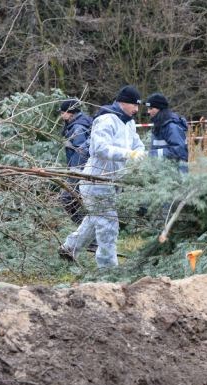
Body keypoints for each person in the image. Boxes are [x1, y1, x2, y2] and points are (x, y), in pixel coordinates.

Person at [58, 85, 145, 268]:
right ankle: (107, 269)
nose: (137, 110)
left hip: (111, 180)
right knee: (108, 224)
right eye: (134, 105)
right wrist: (129, 155)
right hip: (95, 180)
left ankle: (69, 248)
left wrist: (139, 155)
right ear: (123, 102)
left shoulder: (128, 123)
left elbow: (138, 145)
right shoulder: (106, 120)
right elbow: (100, 148)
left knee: (94, 219)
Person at [58, 98, 93, 224]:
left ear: (70, 112)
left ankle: (86, 231)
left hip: (80, 172)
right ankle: (88, 232)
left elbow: (80, 154)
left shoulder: (78, 128)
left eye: (63, 113)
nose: (61, 116)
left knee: (66, 199)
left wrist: (74, 175)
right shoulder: (75, 124)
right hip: (80, 172)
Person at [144, 93, 188, 170]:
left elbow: (178, 151)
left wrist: (151, 154)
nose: (148, 112)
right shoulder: (159, 125)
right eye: (148, 109)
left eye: (151, 108)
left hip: (175, 175)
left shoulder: (172, 127)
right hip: (164, 173)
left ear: (160, 109)